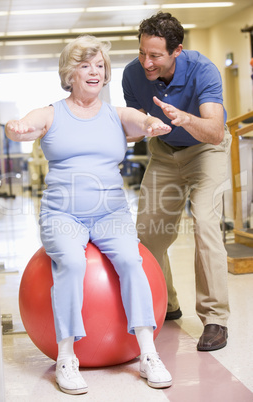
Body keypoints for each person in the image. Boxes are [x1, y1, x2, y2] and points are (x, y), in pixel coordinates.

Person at [5, 35, 173, 395]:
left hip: (110, 212)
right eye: (85, 65)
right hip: (62, 213)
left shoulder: (116, 115)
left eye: (100, 66)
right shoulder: (52, 113)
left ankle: (147, 353)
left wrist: (151, 126)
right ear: (70, 73)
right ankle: (66, 358)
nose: (94, 72)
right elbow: (23, 126)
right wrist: (15, 127)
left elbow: (140, 121)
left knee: (131, 260)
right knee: (73, 263)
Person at [122, 12, 232, 352]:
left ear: (176, 51)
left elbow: (215, 131)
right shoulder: (132, 75)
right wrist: (139, 128)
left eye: (155, 55)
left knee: (205, 223)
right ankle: (167, 303)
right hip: (165, 154)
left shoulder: (204, 70)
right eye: (142, 52)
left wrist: (185, 118)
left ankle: (215, 318)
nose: (146, 62)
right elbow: (132, 128)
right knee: (149, 232)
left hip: (205, 152)